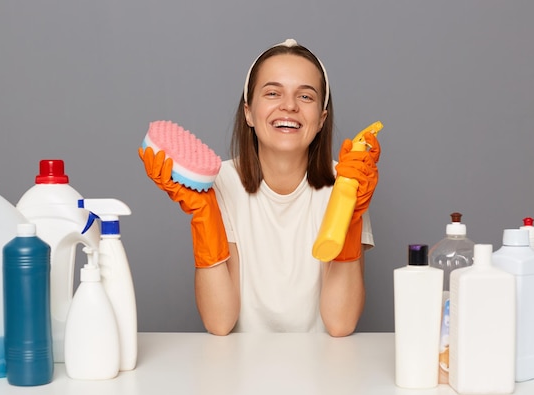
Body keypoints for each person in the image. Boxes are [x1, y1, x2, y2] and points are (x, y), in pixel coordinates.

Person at [139, 39, 380, 337]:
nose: (289, 106)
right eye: (272, 93)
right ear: (249, 112)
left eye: (305, 96)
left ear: (321, 119)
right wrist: (204, 214)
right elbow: (220, 321)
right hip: (240, 368)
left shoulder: (348, 181)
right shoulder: (222, 182)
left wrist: (350, 215)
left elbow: (340, 323)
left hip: (323, 369)